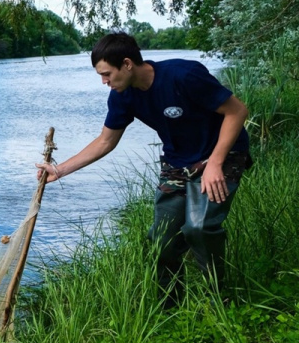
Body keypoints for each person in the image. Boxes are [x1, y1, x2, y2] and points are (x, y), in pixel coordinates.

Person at [36, 33, 251, 308]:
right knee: (161, 237)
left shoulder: (183, 75)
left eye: (107, 74)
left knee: (199, 227)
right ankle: (169, 307)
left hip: (223, 153)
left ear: (127, 64)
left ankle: (219, 299)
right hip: (177, 162)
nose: (104, 82)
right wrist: (59, 170)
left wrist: (217, 162)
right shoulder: (122, 96)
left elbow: (237, 111)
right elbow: (106, 141)